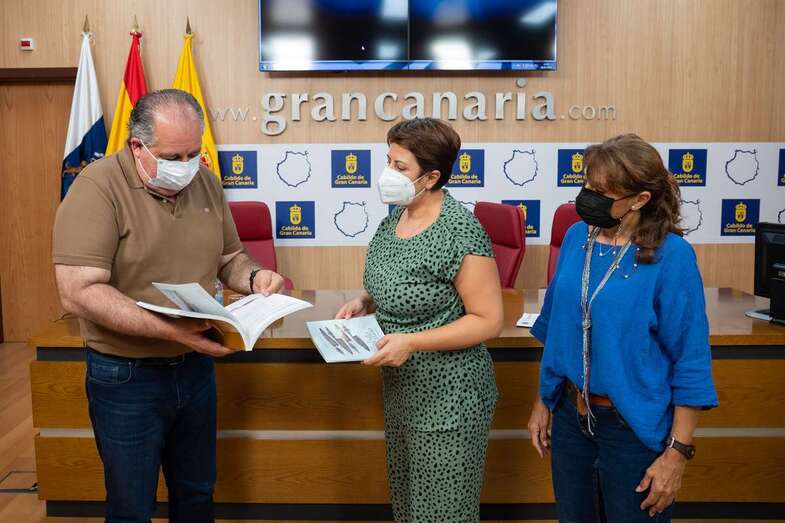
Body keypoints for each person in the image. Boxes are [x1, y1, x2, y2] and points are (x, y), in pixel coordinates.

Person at [52, 89, 285, 523]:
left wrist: (255, 277)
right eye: (173, 156)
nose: (187, 166)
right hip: (126, 375)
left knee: (196, 495)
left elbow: (230, 258)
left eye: (194, 154)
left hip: (195, 369)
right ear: (137, 146)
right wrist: (169, 330)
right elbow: (78, 291)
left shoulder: (206, 182)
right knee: (131, 507)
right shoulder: (96, 188)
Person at [527, 134, 718, 522]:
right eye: (587, 186)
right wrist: (543, 401)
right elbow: (556, 330)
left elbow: (690, 361)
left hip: (631, 428)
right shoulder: (577, 237)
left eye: (601, 192)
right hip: (571, 420)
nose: (587, 197)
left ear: (640, 199)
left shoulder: (672, 256)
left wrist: (677, 453)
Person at [335, 117, 503, 522]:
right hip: (403, 390)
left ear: (431, 177)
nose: (388, 174)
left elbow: (487, 320)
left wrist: (412, 341)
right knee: (410, 507)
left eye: (400, 167)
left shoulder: (460, 230)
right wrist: (365, 301)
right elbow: (404, 282)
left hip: (450, 395)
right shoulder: (396, 217)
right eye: (388, 161)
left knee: (443, 513)